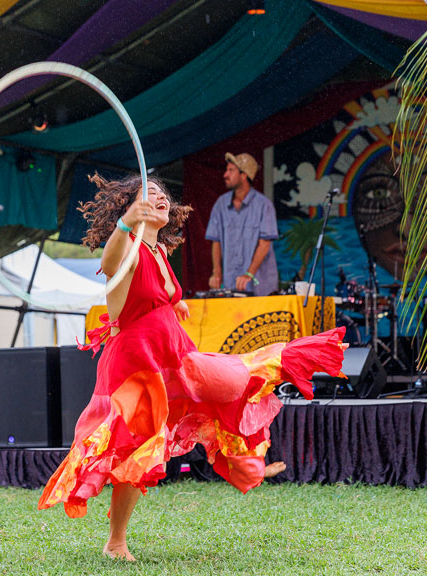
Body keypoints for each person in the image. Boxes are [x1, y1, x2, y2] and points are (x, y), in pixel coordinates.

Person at [38, 173, 346, 561]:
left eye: (162, 193)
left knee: (233, 382)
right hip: (136, 366)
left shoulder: (160, 254)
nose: (160, 197)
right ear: (132, 207)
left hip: (173, 356)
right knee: (140, 446)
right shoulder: (128, 246)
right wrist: (126, 222)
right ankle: (116, 541)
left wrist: (173, 303)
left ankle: (250, 459)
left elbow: (157, 293)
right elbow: (111, 262)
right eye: (149, 194)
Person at [206, 152, 279, 295]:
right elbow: (216, 241)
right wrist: (216, 273)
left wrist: (249, 275)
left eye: (231, 170)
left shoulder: (264, 205)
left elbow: (265, 244)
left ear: (244, 175)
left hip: (260, 286)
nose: (225, 175)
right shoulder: (220, 204)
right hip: (231, 284)